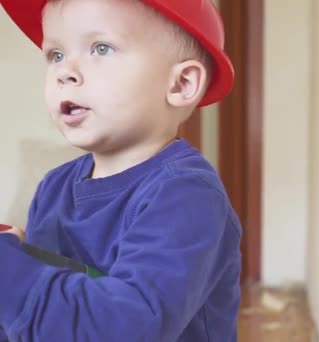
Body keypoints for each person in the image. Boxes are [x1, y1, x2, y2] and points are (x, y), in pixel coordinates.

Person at [0, 0, 242, 340]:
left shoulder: (188, 197)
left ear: (181, 84)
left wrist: (8, 269)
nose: (64, 71)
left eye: (100, 48)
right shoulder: (54, 187)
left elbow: (124, 328)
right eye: (55, 54)